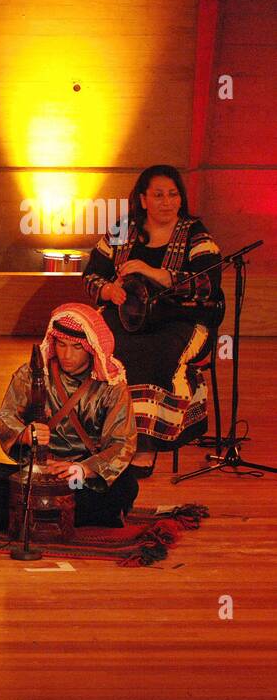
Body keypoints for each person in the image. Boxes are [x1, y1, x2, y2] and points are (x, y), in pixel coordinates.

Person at [81, 164, 223, 475]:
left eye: (173, 194)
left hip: (182, 319)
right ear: (143, 200)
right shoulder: (123, 229)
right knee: (104, 348)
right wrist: (107, 290)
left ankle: (143, 445)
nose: (167, 201)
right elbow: (91, 273)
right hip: (129, 315)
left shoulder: (195, 233)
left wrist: (150, 270)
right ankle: (103, 436)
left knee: (155, 354)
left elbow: (207, 283)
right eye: (158, 195)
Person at [0, 303, 139, 531]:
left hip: (77, 479)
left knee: (125, 484)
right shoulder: (32, 373)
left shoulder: (111, 384)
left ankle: (20, 515)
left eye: (76, 347)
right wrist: (25, 434)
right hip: (37, 475)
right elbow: (5, 416)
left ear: (90, 348)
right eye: (61, 344)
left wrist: (83, 469)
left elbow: (122, 442)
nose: (67, 355)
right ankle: (71, 515)